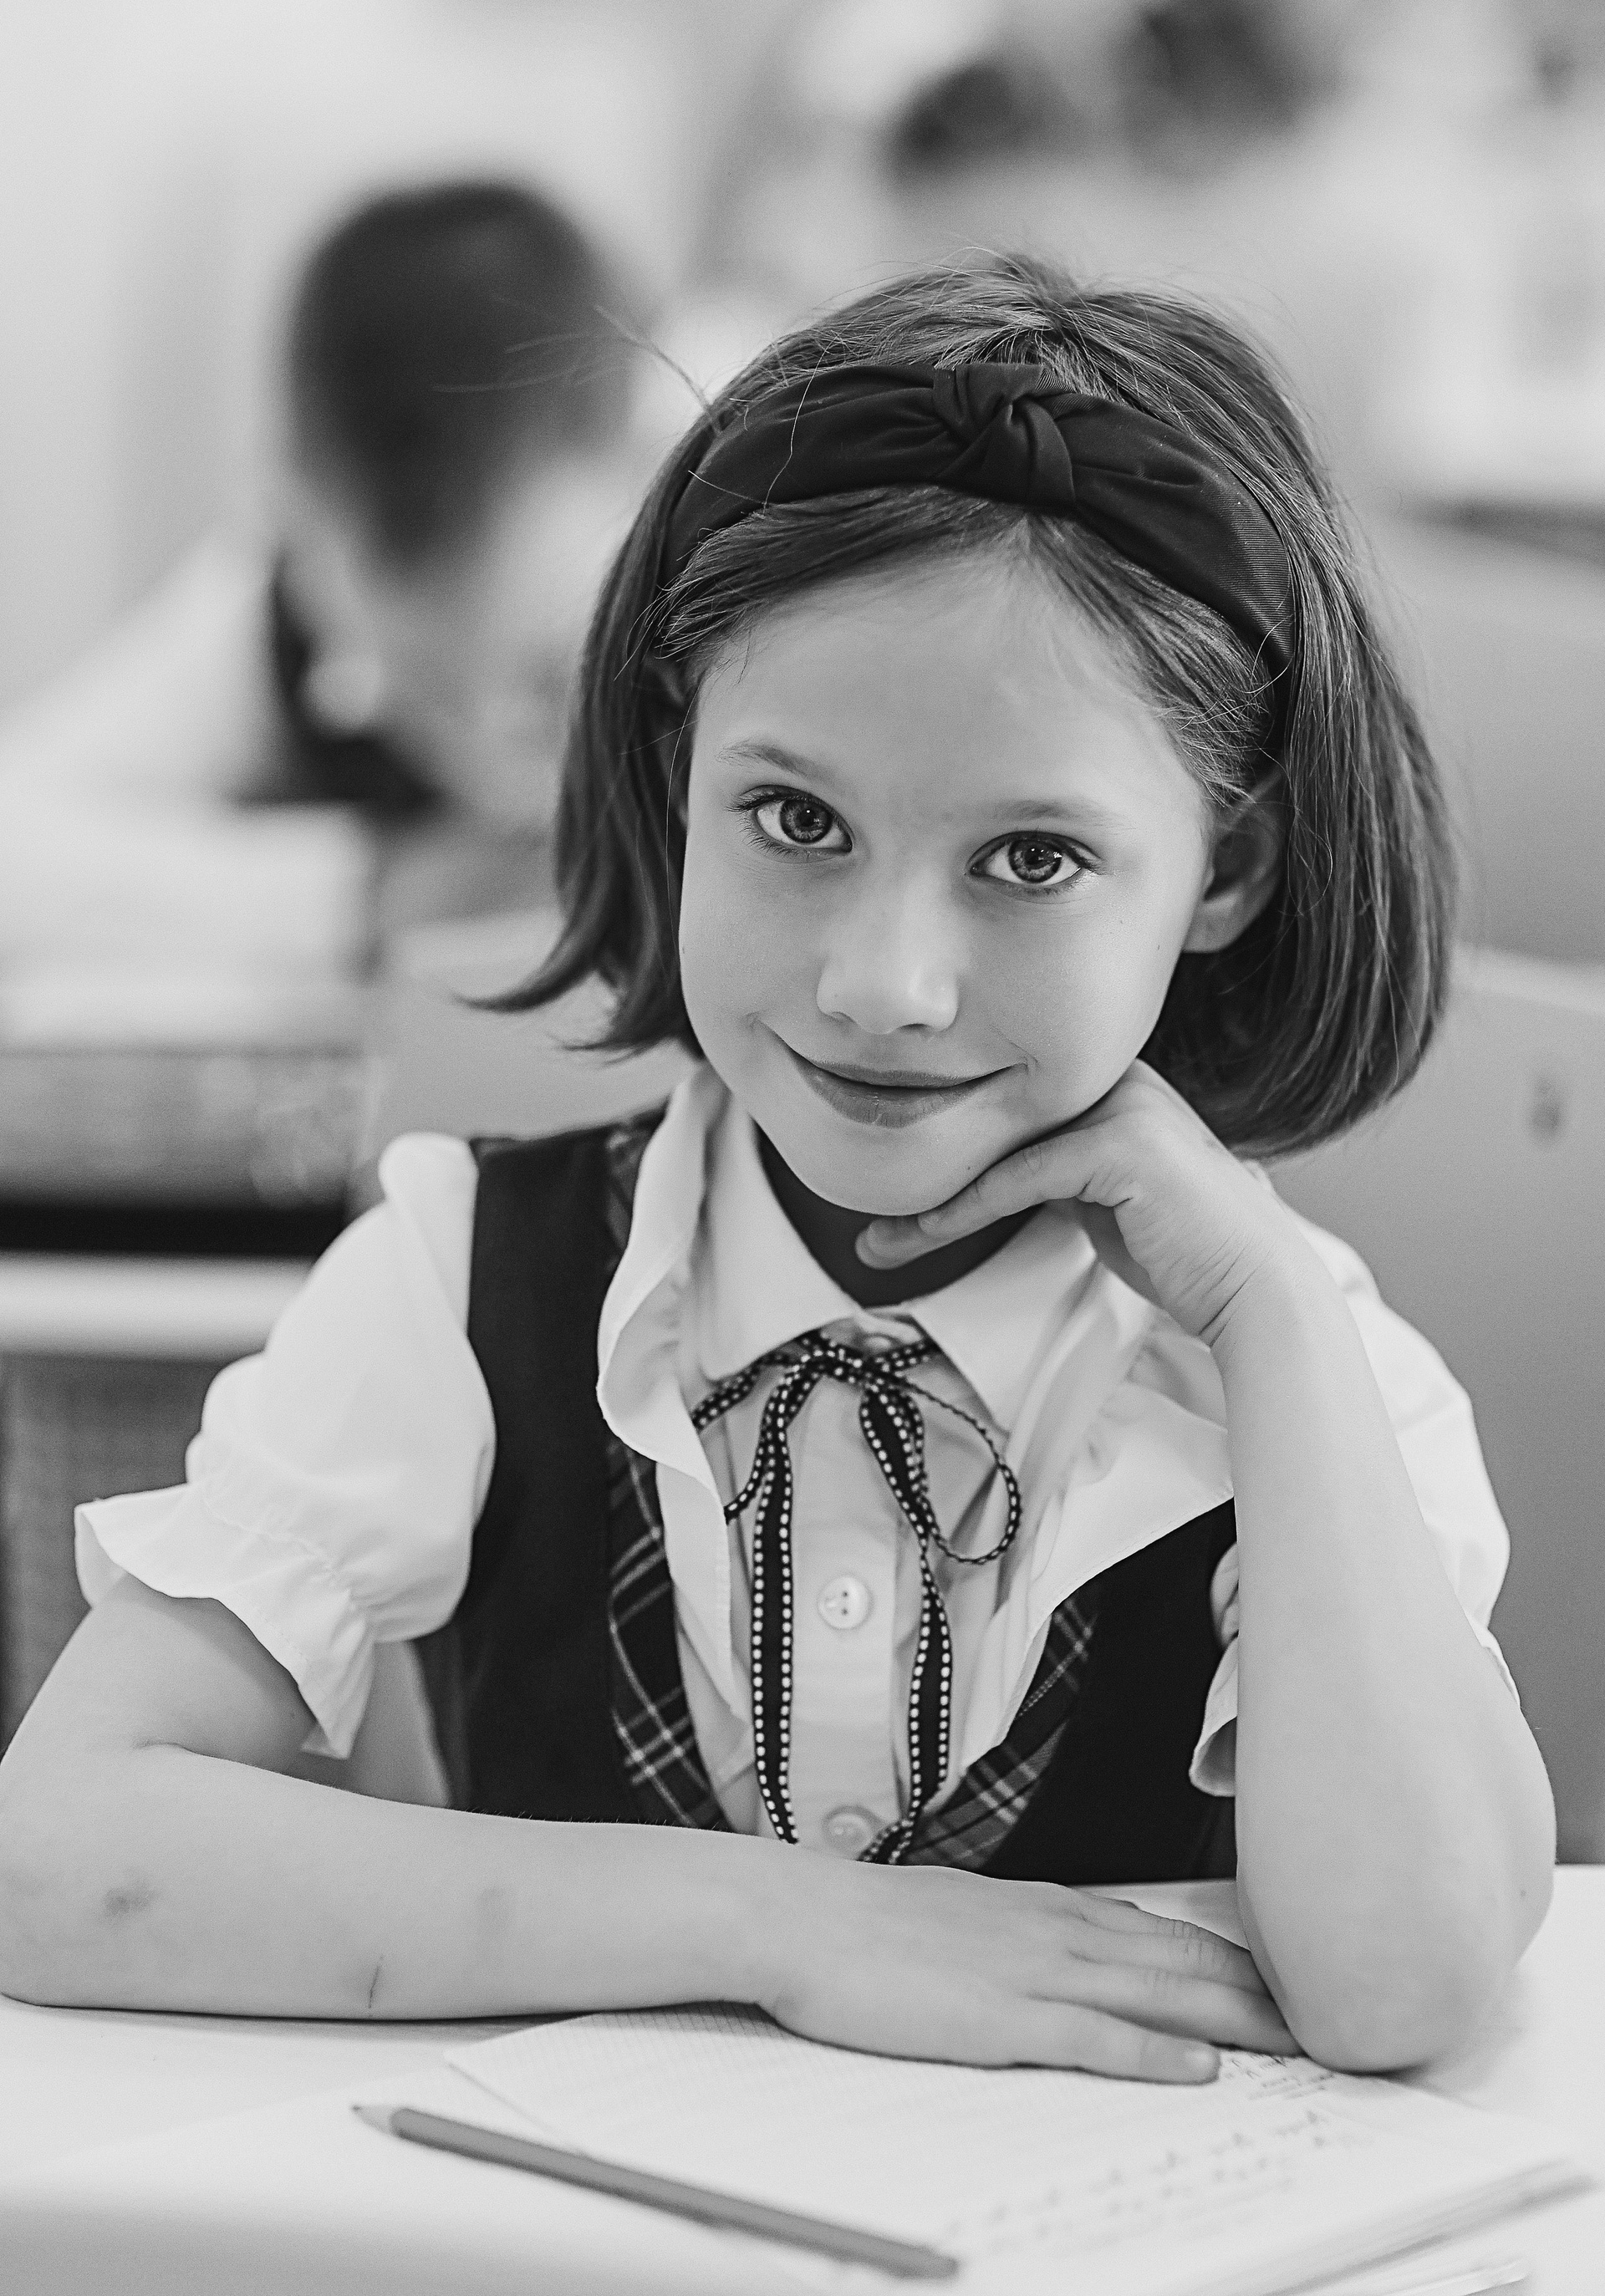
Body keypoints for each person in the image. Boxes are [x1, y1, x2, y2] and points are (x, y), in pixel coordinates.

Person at [0, 256, 1554, 2082]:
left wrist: (1271, 1309)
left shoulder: (1298, 1366)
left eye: (1033, 860)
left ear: (1224, 871)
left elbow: (1413, 1989)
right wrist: (776, 1922)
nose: (882, 985)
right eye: (796, 818)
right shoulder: (464, 1272)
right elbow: (57, 1851)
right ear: (678, 777)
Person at [0, 178, 630, 977]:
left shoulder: (711, 562)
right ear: (294, 505)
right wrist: (375, 890)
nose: (483, 738)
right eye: (422, 686)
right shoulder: (282, 598)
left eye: (539, 684)